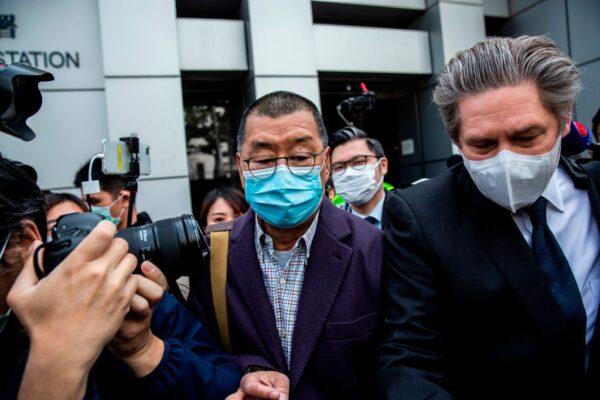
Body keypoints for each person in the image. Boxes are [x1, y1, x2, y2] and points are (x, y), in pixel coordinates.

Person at [378, 35, 600, 399]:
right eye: (482, 145)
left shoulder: (595, 188)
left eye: (527, 137)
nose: (506, 159)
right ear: (456, 138)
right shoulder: (422, 214)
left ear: (563, 120)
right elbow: (410, 356)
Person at [187, 91, 384, 399]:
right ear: (241, 168)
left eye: (301, 157)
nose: (282, 171)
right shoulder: (213, 253)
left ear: (325, 164)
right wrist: (248, 371)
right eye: (264, 159)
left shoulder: (374, 248)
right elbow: (197, 349)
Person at [0, 155, 241, 399]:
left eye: (85, 231)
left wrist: (145, 349)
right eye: (61, 235)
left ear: (25, 240)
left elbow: (229, 386)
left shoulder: (131, 297)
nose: (82, 250)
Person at [330, 126, 389, 229]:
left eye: (359, 162)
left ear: (383, 165)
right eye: (339, 167)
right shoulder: (331, 226)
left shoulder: (412, 213)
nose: (348, 173)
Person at [74, 157, 152, 230]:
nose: (87, 209)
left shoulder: (155, 242)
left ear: (125, 199)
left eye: (94, 202)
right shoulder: (89, 242)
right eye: (84, 203)